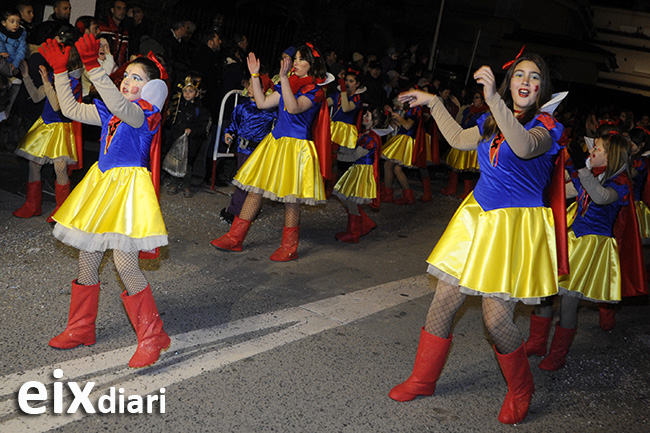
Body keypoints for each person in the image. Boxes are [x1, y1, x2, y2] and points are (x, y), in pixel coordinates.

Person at [389, 51, 565, 424]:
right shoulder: (491, 119)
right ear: (510, 80)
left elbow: (521, 146)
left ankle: (521, 388)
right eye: (520, 74)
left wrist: (495, 101)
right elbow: (456, 138)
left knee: (496, 319)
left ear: (541, 89)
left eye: (534, 78)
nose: (526, 82)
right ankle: (423, 379)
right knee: (444, 298)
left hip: (512, 229)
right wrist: (434, 101)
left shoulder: (547, 128)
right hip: (476, 219)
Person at [40, 33, 171, 368]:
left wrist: (94, 69)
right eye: (126, 75)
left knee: (126, 264)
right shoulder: (113, 115)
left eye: (137, 78)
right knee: (88, 257)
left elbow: (119, 105)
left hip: (127, 193)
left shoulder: (143, 116)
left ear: (152, 89)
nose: (128, 80)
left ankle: (152, 335)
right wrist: (60, 71)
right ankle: (82, 328)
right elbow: (69, 108)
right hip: (102, 188)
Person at [211, 44, 328, 261]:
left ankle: (289, 246)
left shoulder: (315, 91)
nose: (295, 62)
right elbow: (262, 102)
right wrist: (255, 75)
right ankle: (235, 237)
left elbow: (293, 108)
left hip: (296, 148)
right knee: (255, 190)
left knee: (290, 199)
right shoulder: (289, 84)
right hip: (275, 144)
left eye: (300, 59)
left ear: (312, 65)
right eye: (296, 58)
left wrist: (283, 79)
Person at [525, 130, 631, 371]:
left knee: (569, 302)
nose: (591, 151)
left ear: (612, 156)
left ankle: (557, 355)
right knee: (545, 291)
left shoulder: (621, 183)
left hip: (591, 247)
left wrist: (582, 172)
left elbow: (601, 197)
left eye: (598, 149)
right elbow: (562, 193)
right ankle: (537, 342)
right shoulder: (589, 175)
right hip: (573, 239)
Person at [13, 42, 82, 221]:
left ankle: (62, 210)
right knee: (34, 165)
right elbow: (37, 96)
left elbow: (57, 105)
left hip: (60, 127)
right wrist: (27, 76)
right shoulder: (53, 76)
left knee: (60, 168)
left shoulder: (73, 81)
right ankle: (32, 204)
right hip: (44, 125)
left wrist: (47, 82)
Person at [219, 74, 277, 224]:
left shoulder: (270, 110)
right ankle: (238, 212)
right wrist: (229, 133)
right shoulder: (242, 107)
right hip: (243, 151)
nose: (249, 88)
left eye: (254, 85)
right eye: (249, 85)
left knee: (252, 185)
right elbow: (234, 123)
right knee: (243, 182)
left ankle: (239, 212)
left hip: (259, 152)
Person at [333, 106, 388, 243]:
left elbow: (355, 156)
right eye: (365, 115)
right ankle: (364, 223)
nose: (364, 117)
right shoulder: (366, 135)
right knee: (346, 197)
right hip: (358, 169)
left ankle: (354, 232)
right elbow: (352, 152)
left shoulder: (370, 139)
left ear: (375, 121)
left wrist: (335, 156)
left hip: (364, 171)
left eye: (368, 116)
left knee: (351, 199)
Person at [162, 73, 211, 197]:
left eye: (191, 91)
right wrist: (167, 117)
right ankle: (174, 183)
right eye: (185, 91)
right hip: (176, 140)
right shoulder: (177, 107)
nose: (187, 93)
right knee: (175, 162)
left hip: (190, 143)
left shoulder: (200, 110)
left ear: (197, 93)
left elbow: (203, 127)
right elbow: (170, 124)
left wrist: (192, 131)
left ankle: (186, 185)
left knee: (187, 165)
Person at [380, 85, 424, 205]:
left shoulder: (415, 108)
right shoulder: (414, 108)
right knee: (397, 169)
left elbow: (408, 126)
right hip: (405, 139)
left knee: (388, 165)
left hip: (406, 141)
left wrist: (397, 116)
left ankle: (387, 194)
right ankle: (408, 196)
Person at [442, 88, 488, 198]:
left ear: (482, 100)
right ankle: (452, 188)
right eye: (474, 97)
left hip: (472, 143)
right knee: (452, 165)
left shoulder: (485, 113)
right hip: (463, 139)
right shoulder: (468, 110)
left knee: (468, 170)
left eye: (477, 98)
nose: (474, 100)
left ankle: (467, 193)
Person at [97, 0, 129, 67]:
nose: (122, 11)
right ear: (112, 10)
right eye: (119, 8)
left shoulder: (125, 31)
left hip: (119, 71)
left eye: (124, 9)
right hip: (105, 68)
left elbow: (125, 53)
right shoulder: (103, 28)